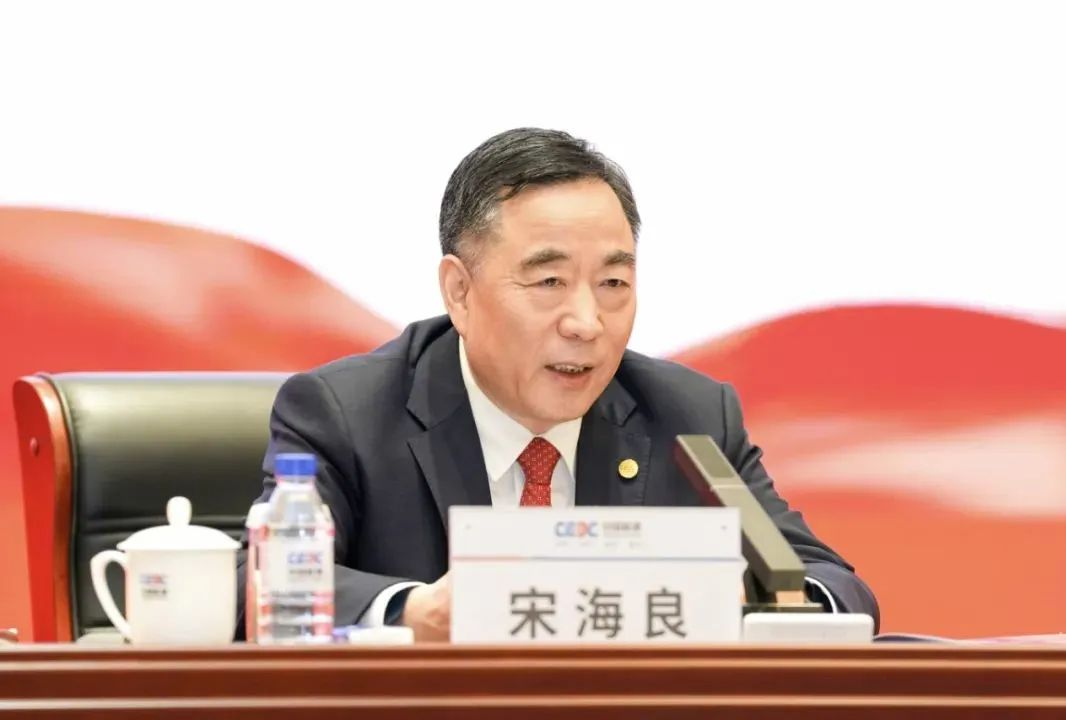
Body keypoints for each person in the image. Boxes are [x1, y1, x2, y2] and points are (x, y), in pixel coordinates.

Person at [239, 128, 879, 641]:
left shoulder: (689, 417)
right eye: (549, 282)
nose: (586, 323)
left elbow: (832, 585)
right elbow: (255, 583)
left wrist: (760, 601)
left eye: (613, 284)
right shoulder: (347, 413)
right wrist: (412, 612)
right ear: (459, 292)